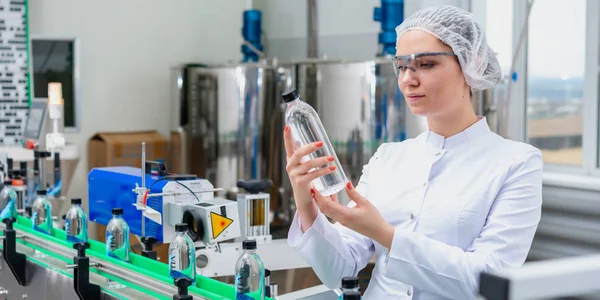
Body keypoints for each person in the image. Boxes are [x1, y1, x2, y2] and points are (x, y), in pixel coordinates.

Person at [284, 5, 543, 300]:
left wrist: (386, 235)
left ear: (471, 63)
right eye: (402, 66)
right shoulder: (388, 158)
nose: (408, 79)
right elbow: (338, 270)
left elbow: (488, 281)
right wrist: (307, 205)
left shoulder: (517, 163)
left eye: (426, 64)